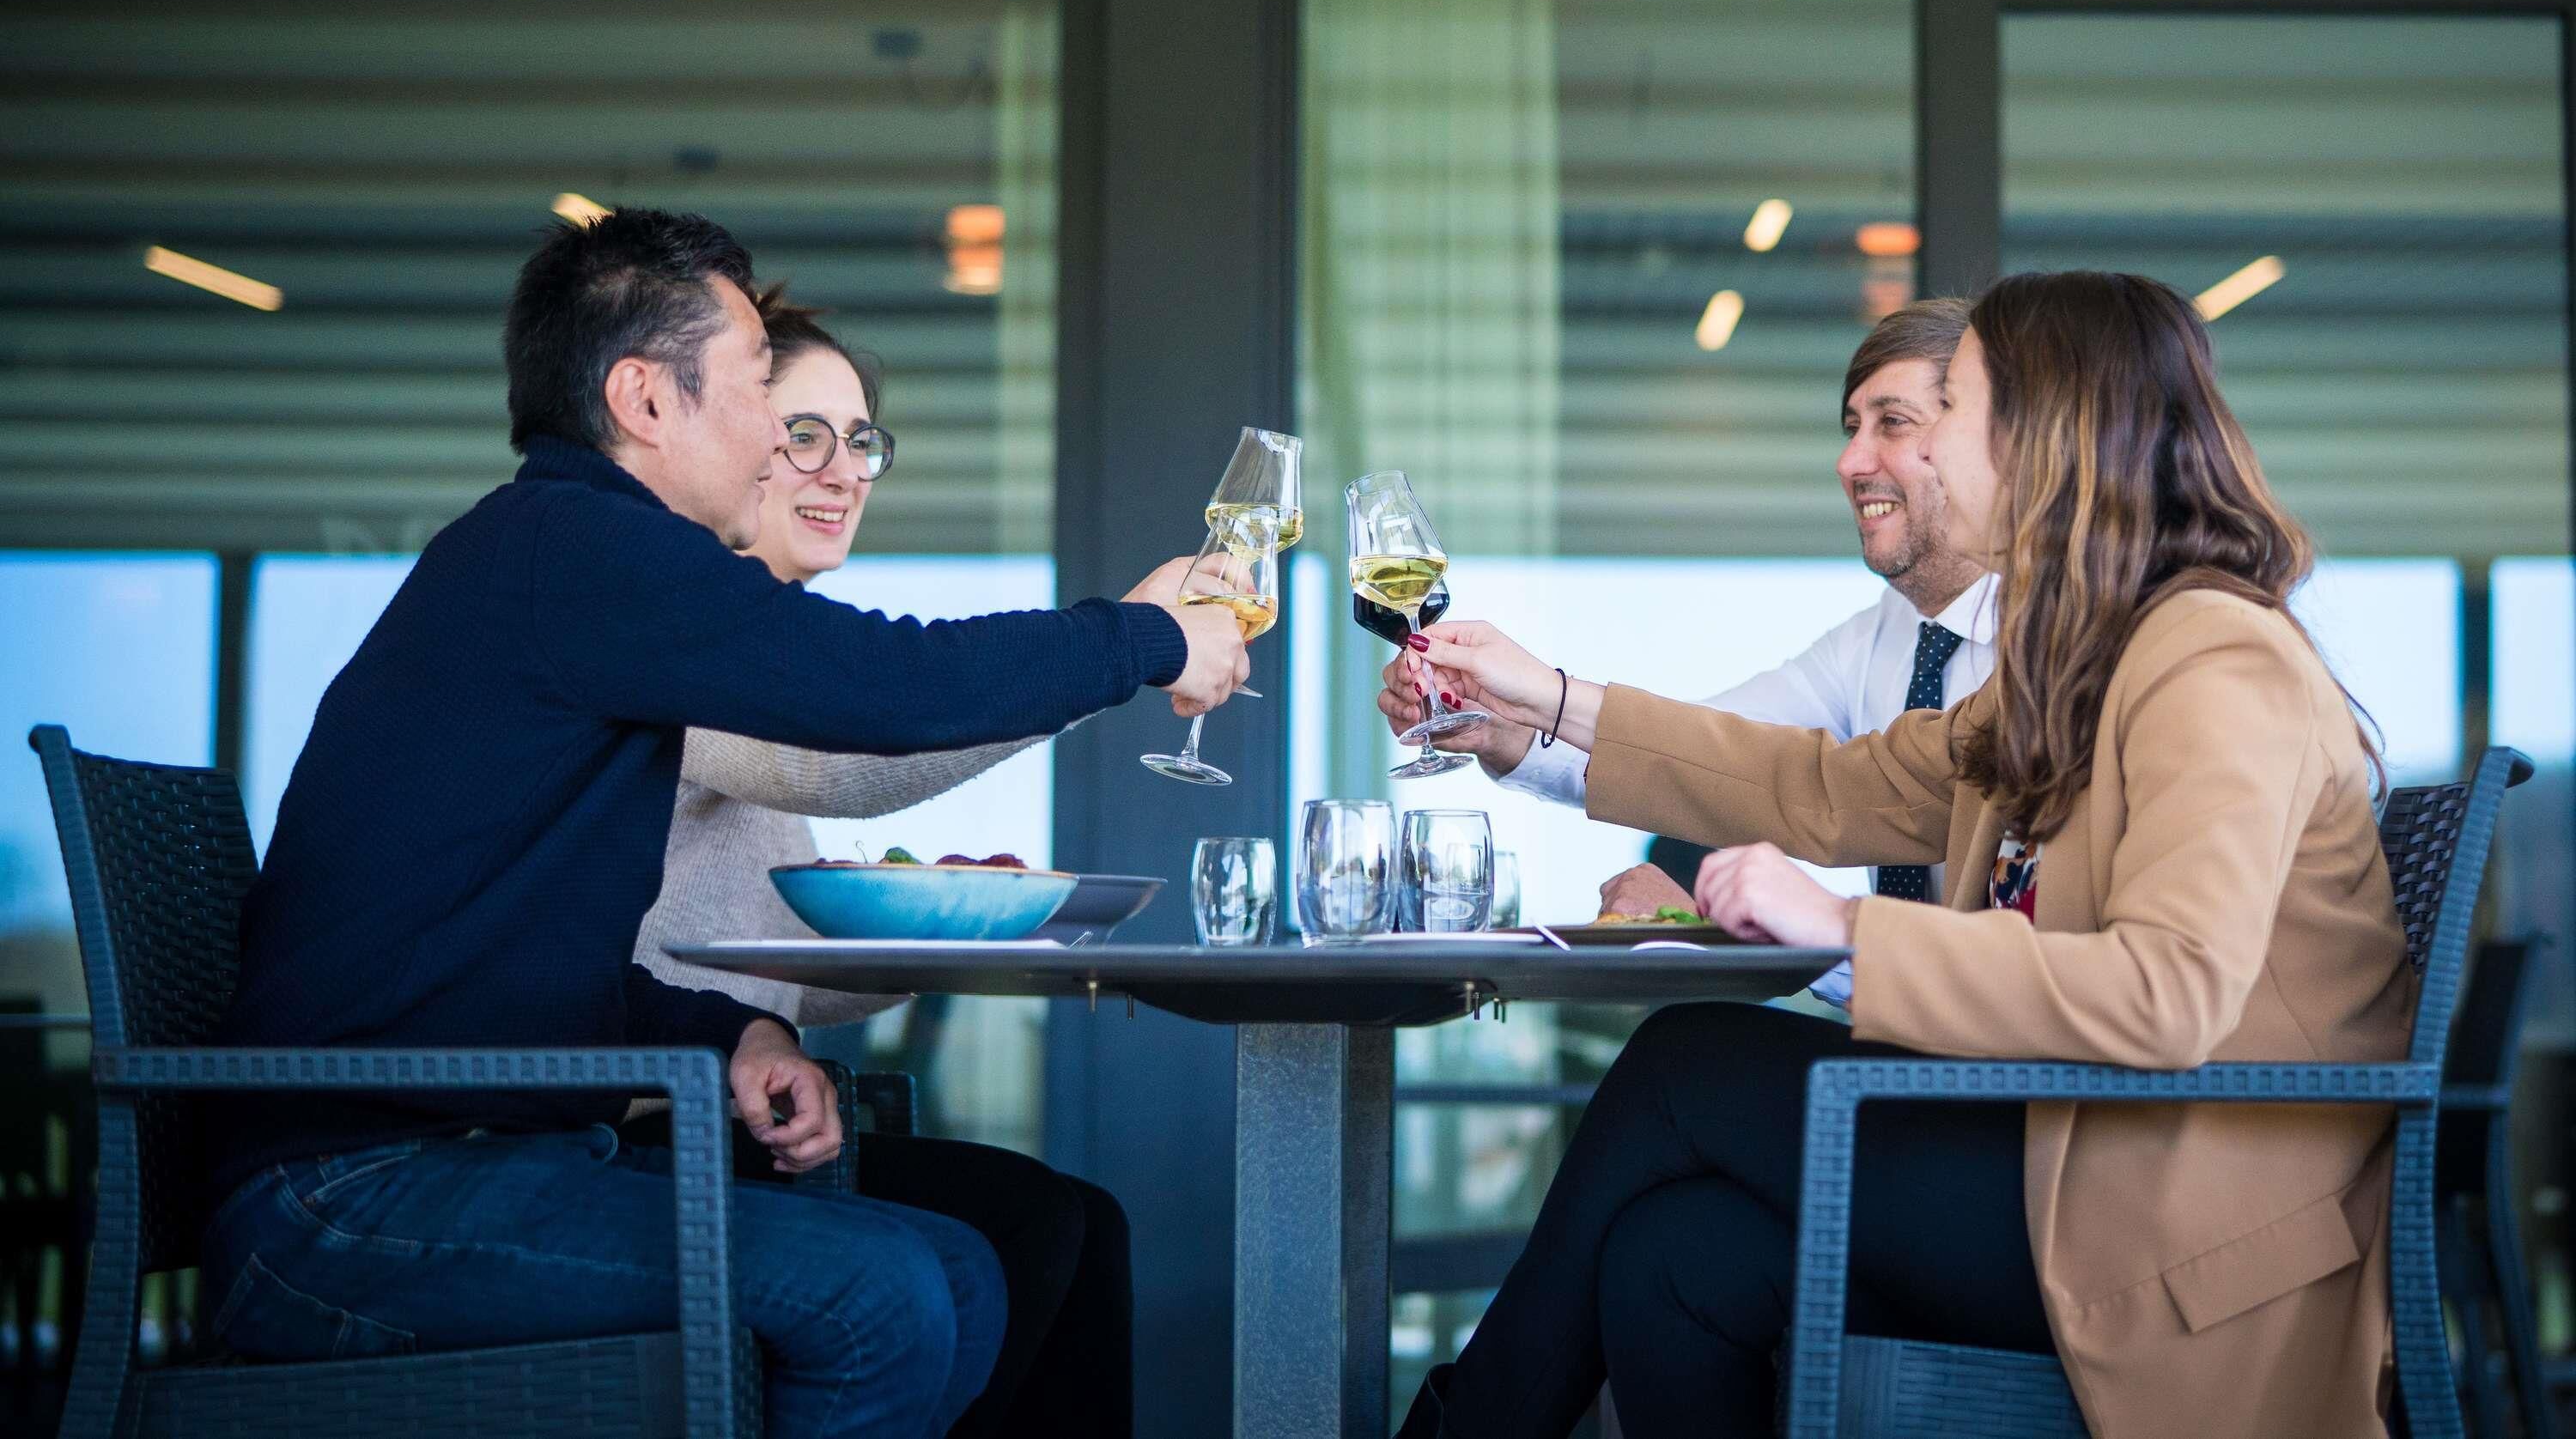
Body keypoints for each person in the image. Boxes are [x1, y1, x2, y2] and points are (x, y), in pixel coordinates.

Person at [203, 208, 1246, 1439]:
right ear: (646, 399)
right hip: (349, 1200)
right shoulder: (580, 551)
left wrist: (731, 1030)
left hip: (466, 1152)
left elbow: (502, 965)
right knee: (888, 1294)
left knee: (959, 1271)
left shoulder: (565, 564)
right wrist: (1145, 636)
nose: (779, 436)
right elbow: (885, 687)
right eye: (761, 385)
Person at [1388, 270, 2411, 1439]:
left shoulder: (2215, 659)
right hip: (2071, 1156)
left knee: (1684, 1062)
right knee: (1673, 1256)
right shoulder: (2081, 659)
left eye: (1950, 412)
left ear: (2045, 438)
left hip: (2177, 1229)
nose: (1912, 459)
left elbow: (2168, 993)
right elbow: (1816, 783)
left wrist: (1841, 929)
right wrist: (1552, 696)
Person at [634, 285, 1132, 1439]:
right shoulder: (691, 643)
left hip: (733, 1102)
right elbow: (864, 741)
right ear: (739, 436)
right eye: (805, 431)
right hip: (646, 1111)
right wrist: (1123, 649)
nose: (842, 466)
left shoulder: (752, 661)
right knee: (1034, 1226)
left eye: (861, 440)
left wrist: (951, 919)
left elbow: (793, 975)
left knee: (1083, 1221)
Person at [1394, 299, 1994, 1006]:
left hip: (2001, 1069)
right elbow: (1703, 761)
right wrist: (1508, 732)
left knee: (1681, 1063)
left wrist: (1766, 925)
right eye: (1851, 428)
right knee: (1678, 1050)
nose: (1849, 462)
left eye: (1894, 423)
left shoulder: (2057, 660)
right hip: (1905, 1044)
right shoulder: (1879, 639)